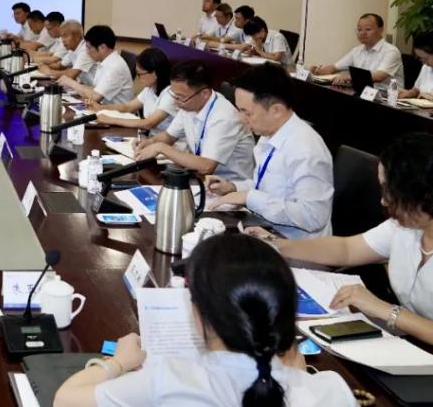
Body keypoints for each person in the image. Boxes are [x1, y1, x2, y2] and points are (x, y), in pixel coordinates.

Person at [54, 233, 355, 406]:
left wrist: (119, 363)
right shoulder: (333, 390)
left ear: (199, 315)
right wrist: (299, 375)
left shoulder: (170, 380)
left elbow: (66, 399)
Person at [249, 132, 433, 345]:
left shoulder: (408, 224)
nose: (383, 201)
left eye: (391, 191)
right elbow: (347, 249)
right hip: (406, 342)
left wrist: (386, 310)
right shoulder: (405, 227)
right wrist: (276, 245)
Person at [208, 64, 334, 239]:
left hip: (295, 244)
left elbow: (313, 217)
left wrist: (249, 197)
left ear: (276, 110)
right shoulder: (269, 133)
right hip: (265, 229)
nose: (241, 119)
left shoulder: (306, 149)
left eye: (247, 112)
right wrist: (233, 187)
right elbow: (269, 187)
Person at [135, 60, 255, 181]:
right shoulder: (189, 104)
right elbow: (169, 136)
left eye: (181, 97)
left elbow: (206, 166)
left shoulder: (224, 117)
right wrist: (150, 142)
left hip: (230, 185)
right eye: (174, 95)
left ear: (204, 93)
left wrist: (160, 147)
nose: (176, 101)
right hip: (201, 179)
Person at [94, 48, 177, 135]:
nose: (138, 78)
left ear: (154, 74)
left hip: (167, 142)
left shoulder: (170, 94)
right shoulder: (150, 88)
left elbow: (149, 123)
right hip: (152, 138)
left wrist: (111, 120)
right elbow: (128, 107)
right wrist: (101, 108)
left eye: (139, 74)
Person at [309, 13, 403, 87]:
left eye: (368, 29)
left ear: (381, 30)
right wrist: (318, 70)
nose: (362, 33)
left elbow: (379, 76)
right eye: (359, 29)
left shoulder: (391, 51)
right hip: (363, 94)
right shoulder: (357, 51)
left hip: (387, 98)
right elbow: (334, 67)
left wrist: (348, 78)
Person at [57, 26, 134, 106]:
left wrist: (70, 82)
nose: (87, 52)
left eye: (89, 48)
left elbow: (95, 97)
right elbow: (96, 89)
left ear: (102, 47)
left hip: (116, 112)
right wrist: (75, 87)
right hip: (104, 108)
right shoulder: (105, 61)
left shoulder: (115, 66)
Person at [400, 31, 433, 99]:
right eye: (421, 59)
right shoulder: (426, 67)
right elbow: (416, 90)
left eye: (426, 59)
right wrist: (408, 93)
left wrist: (430, 97)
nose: (424, 63)